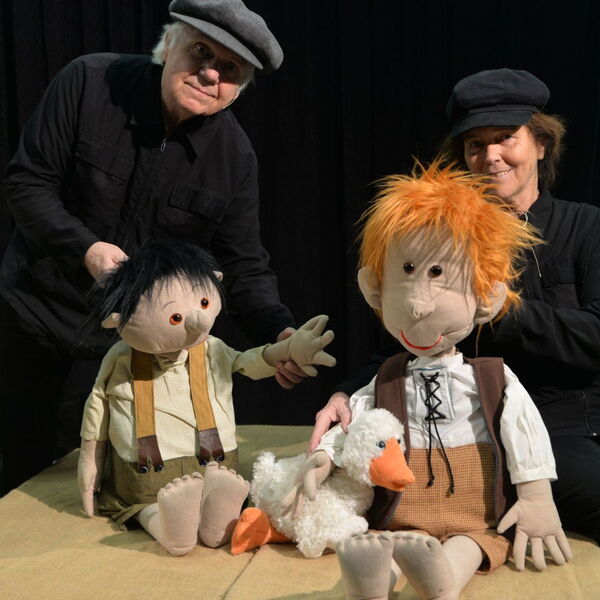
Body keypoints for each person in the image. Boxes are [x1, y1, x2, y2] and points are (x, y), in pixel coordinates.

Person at [0, 0, 304, 495]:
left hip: (121, 351)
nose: (211, 74)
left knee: (91, 489)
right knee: (16, 475)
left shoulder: (234, 158)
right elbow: (27, 184)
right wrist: (87, 249)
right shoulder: (88, 82)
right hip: (29, 317)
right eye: (201, 52)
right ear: (168, 44)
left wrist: (280, 333)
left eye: (230, 69)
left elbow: (244, 265)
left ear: (238, 89)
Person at [308, 68, 600, 545]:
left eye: (506, 138)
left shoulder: (587, 227)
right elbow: (409, 344)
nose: (491, 156)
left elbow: (595, 337)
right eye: (475, 144)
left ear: (541, 144)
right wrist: (344, 395)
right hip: (476, 431)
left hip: (569, 423)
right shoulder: (445, 239)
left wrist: (500, 309)